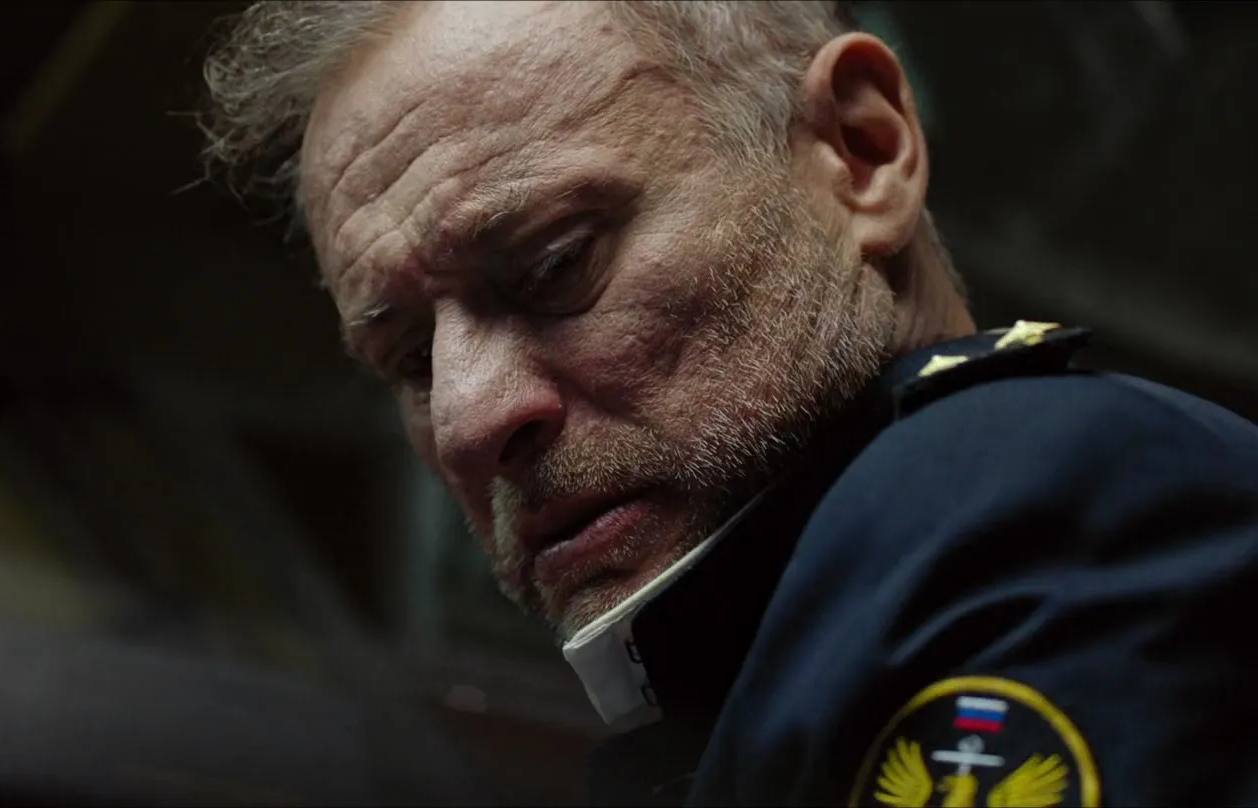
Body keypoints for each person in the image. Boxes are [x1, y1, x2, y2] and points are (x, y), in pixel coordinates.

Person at [198, 1, 1258, 805]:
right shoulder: (757, 671)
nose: (470, 423)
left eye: (557, 263)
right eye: (412, 362)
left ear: (861, 153)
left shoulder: (1015, 505)